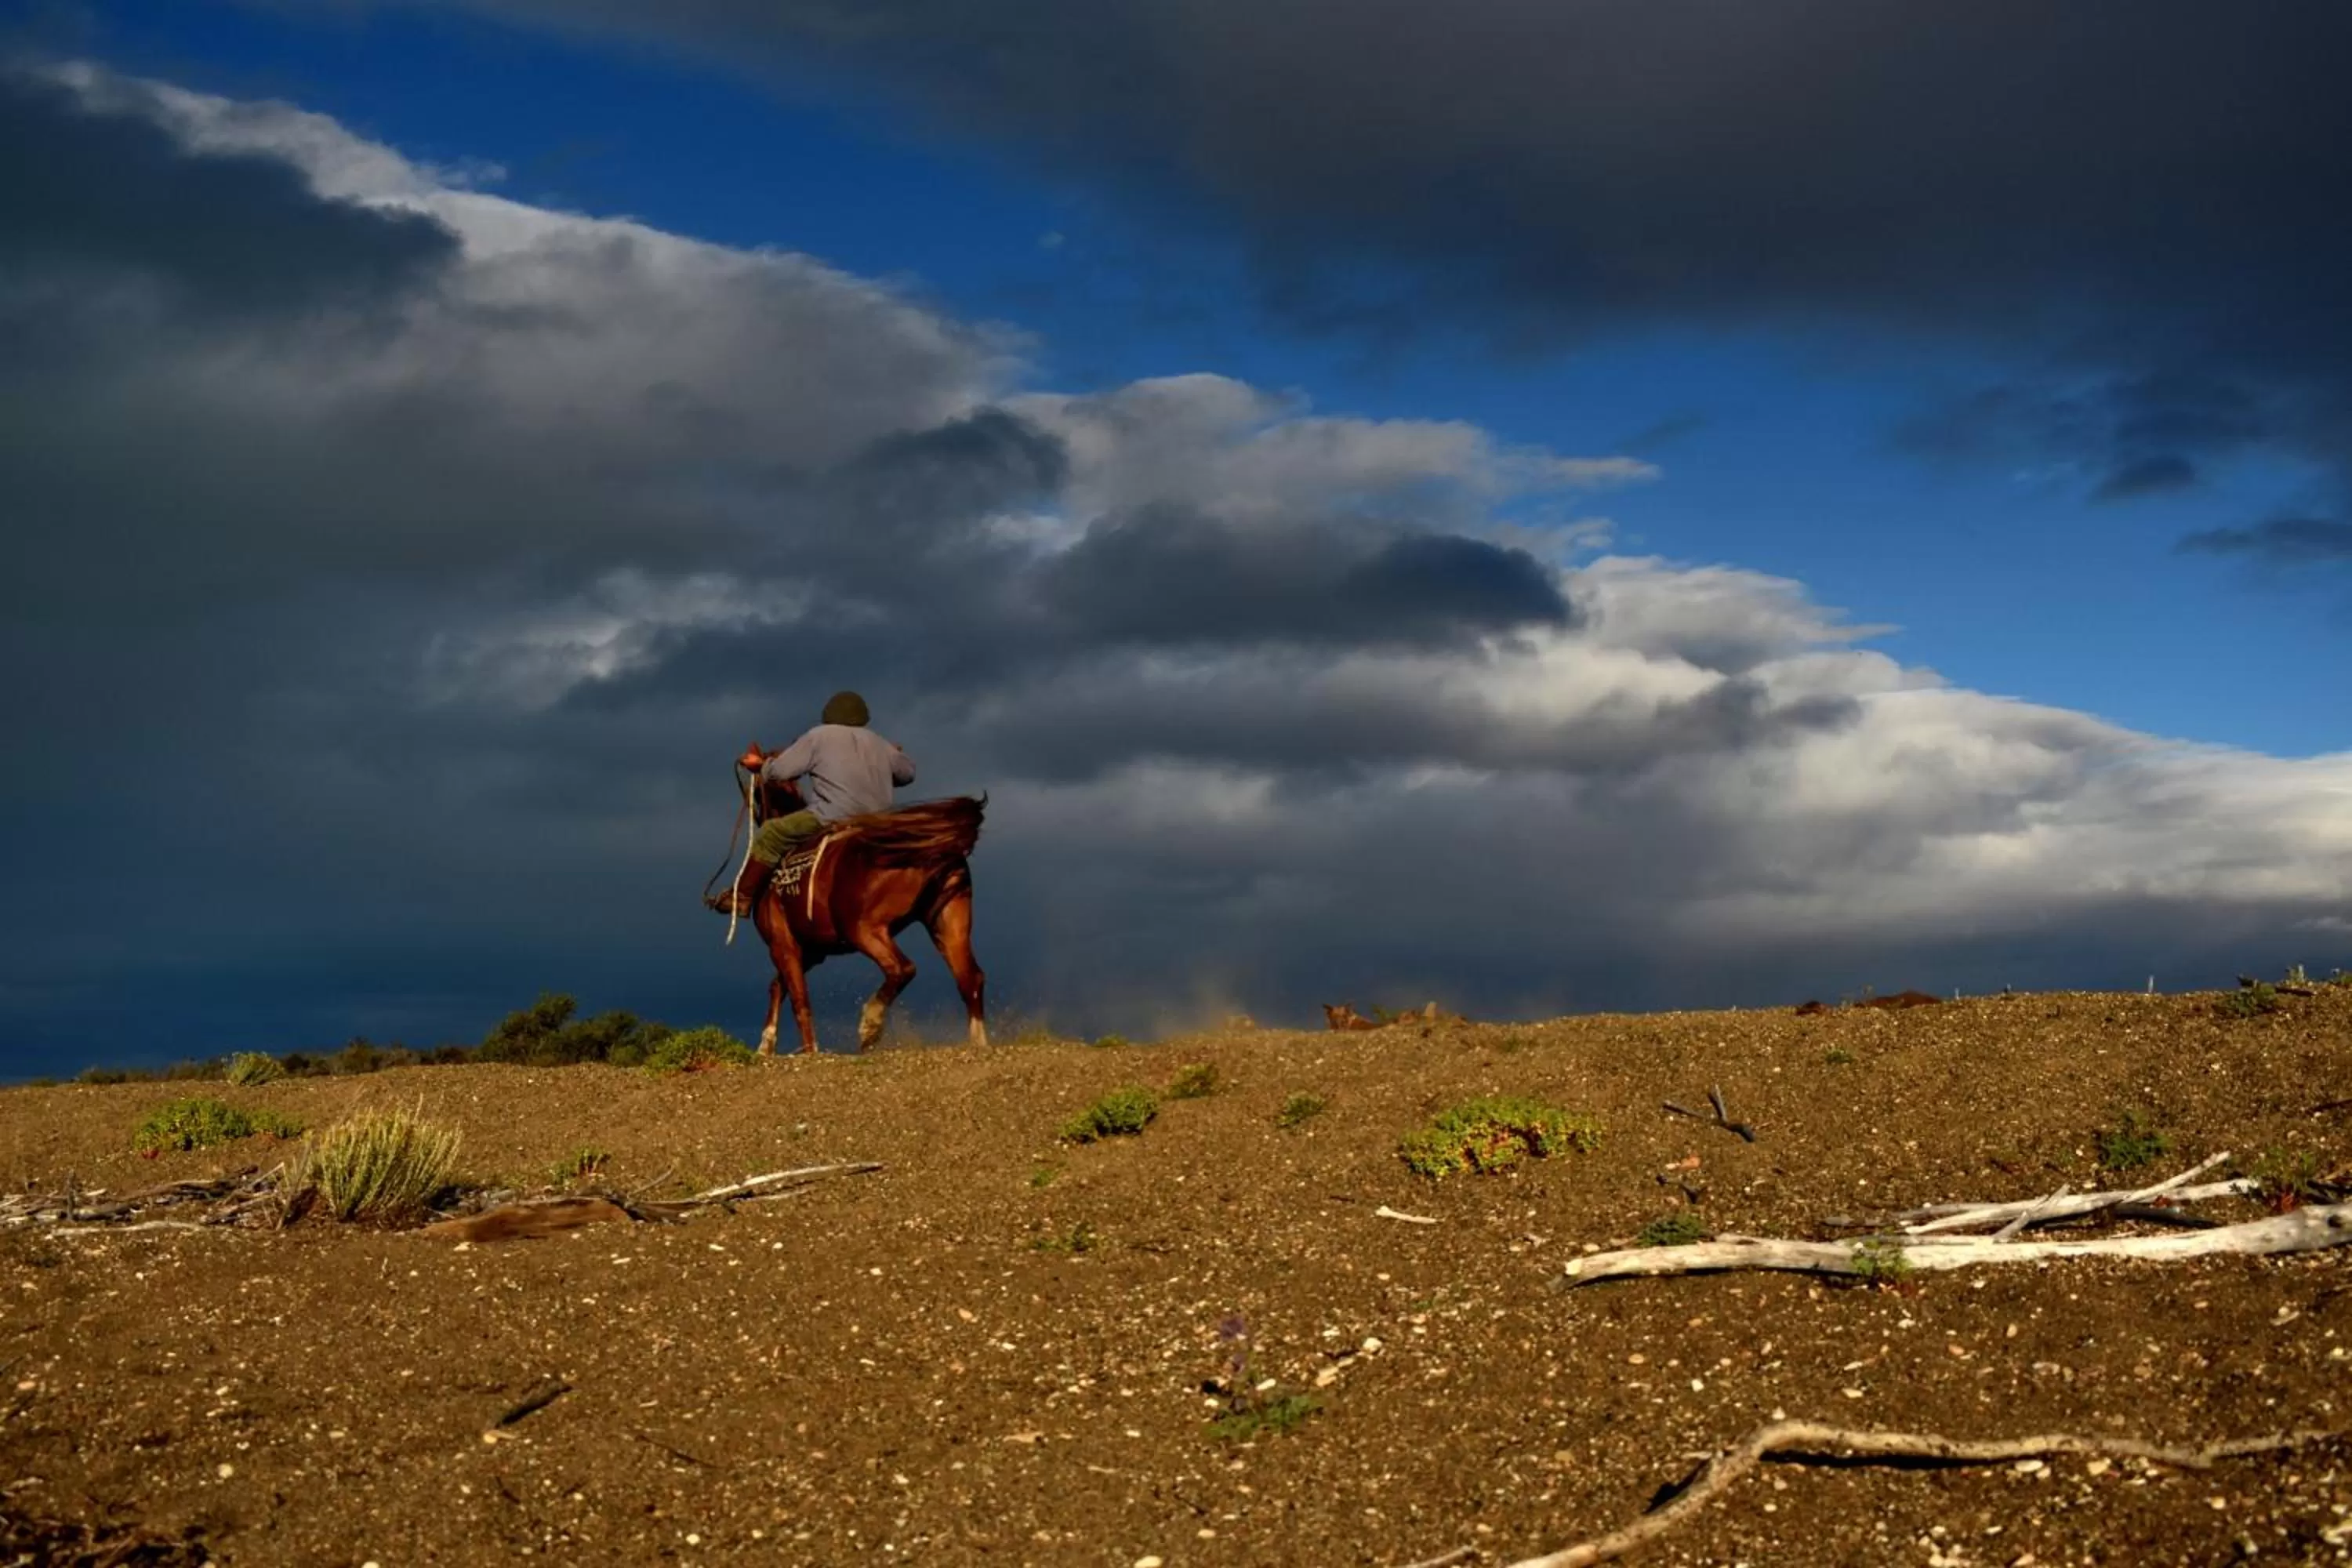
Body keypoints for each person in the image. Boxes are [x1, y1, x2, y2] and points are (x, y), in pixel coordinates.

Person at [706, 690, 916, 916]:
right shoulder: (879, 742)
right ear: (863, 717)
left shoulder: (819, 736)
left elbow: (781, 772)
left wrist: (760, 766)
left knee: (771, 833)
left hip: (833, 816)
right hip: (879, 821)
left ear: (829, 714)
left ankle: (742, 898)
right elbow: (908, 774)